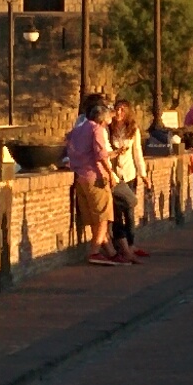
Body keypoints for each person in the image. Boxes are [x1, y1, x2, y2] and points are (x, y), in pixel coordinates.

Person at [61, 92, 112, 263]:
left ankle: (108, 251)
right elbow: (100, 154)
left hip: (80, 176)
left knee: (93, 217)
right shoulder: (97, 129)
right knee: (103, 216)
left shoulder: (77, 130)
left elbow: (69, 146)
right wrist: (109, 173)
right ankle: (95, 251)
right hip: (95, 176)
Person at [104, 100, 146, 264]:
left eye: (123, 110)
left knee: (129, 209)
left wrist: (143, 174)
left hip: (129, 174)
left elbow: (137, 152)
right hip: (114, 174)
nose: (119, 112)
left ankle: (131, 243)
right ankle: (121, 245)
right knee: (116, 212)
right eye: (117, 109)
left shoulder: (133, 129)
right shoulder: (108, 128)